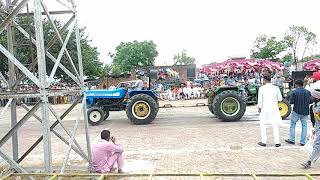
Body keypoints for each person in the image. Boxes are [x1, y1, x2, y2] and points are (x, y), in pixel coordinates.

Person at [257, 74, 283, 147]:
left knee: (263, 125)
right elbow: (280, 99)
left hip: (264, 109)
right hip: (274, 109)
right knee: (275, 125)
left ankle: (264, 141)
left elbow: (260, 100)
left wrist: (259, 108)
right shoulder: (276, 88)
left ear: (264, 80)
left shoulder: (261, 88)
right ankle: (277, 142)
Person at [285, 80, 311, 146]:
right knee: (304, 126)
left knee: (293, 125)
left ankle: (292, 139)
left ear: (297, 85)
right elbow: (310, 101)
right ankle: (303, 141)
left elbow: (291, 101)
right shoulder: (308, 92)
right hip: (305, 111)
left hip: (296, 111)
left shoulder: (294, 92)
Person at [301, 89, 320, 169]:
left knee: (316, 144)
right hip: (318, 128)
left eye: (312, 96)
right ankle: (309, 161)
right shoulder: (314, 106)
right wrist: (315, 129)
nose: (310, 97)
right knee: (316, 144)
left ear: (316, 97)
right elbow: (316, 119)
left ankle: (309, 162)